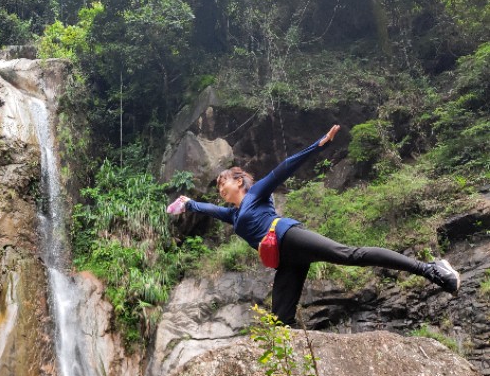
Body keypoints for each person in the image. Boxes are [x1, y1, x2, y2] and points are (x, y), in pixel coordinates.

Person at [178, 124, 460, 327]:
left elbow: (285, 167)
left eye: (222, 182)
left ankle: (433, 270)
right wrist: (189, 203)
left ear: (238, 181)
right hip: (283, 260)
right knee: (280, 321)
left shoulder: (256, 193)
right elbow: (213, 210)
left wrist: (319, 145)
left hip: (288, 236)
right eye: (217, 186)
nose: (220, 188)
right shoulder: (235, 216)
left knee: (351, 255)